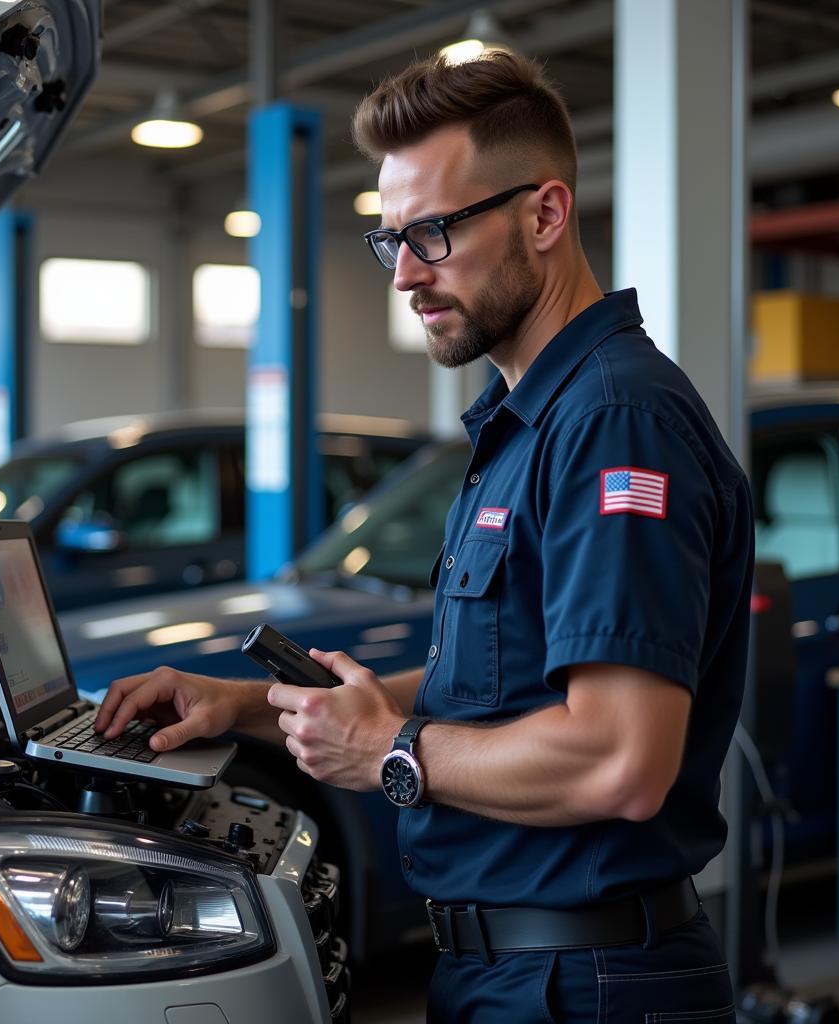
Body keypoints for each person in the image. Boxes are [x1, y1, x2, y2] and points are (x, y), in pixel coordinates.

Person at [95, 51, 754, 1023]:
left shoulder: (614, 421)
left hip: (582, 986)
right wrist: (243, 705)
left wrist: (390, 753)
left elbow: (620, 758)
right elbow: (497, 681)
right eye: (391, 238)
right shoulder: (528, 421)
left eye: (434, 233)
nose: (404, 273)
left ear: (544, 214)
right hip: (510, 973)